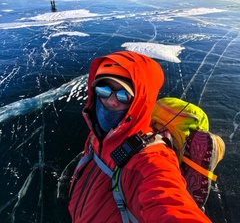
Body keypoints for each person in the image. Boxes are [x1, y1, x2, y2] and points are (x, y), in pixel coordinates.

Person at [68, 51, 211, 222]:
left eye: (124, 95)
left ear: (139, 102)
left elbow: (168, 202)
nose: (112, 101)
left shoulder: (149, 161)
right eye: (104, 90)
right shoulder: (98, 134)